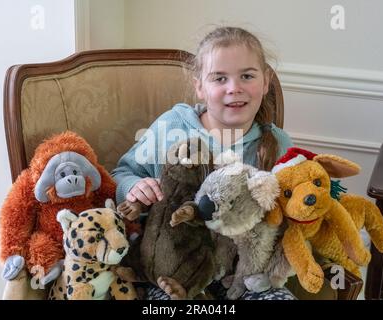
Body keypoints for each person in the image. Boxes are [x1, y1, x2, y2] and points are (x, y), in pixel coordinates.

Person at [111, 26, 295, 300]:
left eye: (247, 76)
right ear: (199, 86)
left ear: (265, 82)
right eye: (220, 78)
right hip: (171, 271)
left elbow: (299, 200)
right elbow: (121, 173)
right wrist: (135, 187)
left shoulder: (277, 143)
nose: (234, 88)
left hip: (241, 276)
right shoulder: (173, 127)